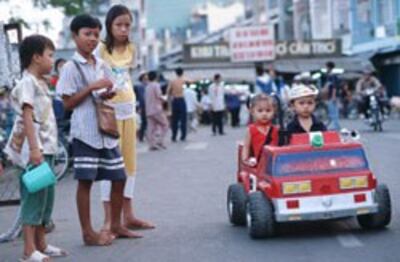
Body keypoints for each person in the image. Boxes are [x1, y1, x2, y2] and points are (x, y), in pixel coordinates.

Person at [57, 14, 137, 245]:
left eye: (95, 34)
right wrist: (92, 87)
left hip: (106, 131)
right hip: (86, 132)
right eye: (87, 34)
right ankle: (88, 232)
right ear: (75, 37)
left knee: (119, 177)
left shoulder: (101, 64)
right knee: (85, 181)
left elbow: (106, 89)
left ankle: (115, 224)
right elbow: (67, 103)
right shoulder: (71, 67)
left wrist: (107, 92)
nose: (92, 39)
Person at [4, 35, 67, 261]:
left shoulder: (39, 82)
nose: (53, 60)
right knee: (33, 197)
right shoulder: (27, 83)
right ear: (36, 57)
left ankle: (41, 243)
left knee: (45, 197)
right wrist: (34, 149)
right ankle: (28, 249)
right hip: (35, 151)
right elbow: (28, 117)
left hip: (46, 149)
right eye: (50, 55)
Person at [96, 5, 154, 236]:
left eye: (127, 25)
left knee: (130, 166)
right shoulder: (100, 49)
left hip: (129, 111)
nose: (123, 29)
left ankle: (128, 216)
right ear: (109, 26)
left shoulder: (131, 48)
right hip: (109, 113)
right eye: (118, 24)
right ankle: (109, 220)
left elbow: (126, 77)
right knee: (110, 166)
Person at [241, 94, 279, 167]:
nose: (264, 114)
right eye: (260, 111)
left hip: (275, 164)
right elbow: (246, 146)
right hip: (259, 165)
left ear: (274, 111)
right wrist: (245, 159)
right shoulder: (251, 129)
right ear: (252, 112)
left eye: (268, 110)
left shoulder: (276, 129)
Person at [145, 71, 169, 150]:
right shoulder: (156, 85)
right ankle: (160, 141)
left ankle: (152, 144)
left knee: (151, 128)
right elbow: (159, 96)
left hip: (149, 110)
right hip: (156, 109)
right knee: (165, 124)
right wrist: (165, 99)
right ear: (156, 77)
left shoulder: (147, 87)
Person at [167, 67, 187, 142]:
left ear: (176, 73)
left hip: (175, 100)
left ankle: (174, 136)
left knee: (174, 120)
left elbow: (168, 92)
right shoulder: (184, 80)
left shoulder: (172, 81)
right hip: (181, 100)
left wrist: (169, 104)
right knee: (183, 119)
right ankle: (183, 136)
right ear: (182, 73)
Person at [323, 61, 341, 130]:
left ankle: (336, 127)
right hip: (330, 97)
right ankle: (333, 126)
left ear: (328, 67)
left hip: (333, 97)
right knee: (332, 112)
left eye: (326, 67)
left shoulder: (332, 76)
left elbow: (334, 87)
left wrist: (333, 96)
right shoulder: (330, 76)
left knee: (334, 112)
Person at [135, 72, 148, 142]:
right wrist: (140, 107)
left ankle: (143, 136)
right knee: (144, 122)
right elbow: (141, 98)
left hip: (147, 106)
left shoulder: (147, 85)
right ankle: (141, 136)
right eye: (145, 78)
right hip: (144, 106)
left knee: (145, 122)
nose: (146, 80)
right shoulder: (140, 86)